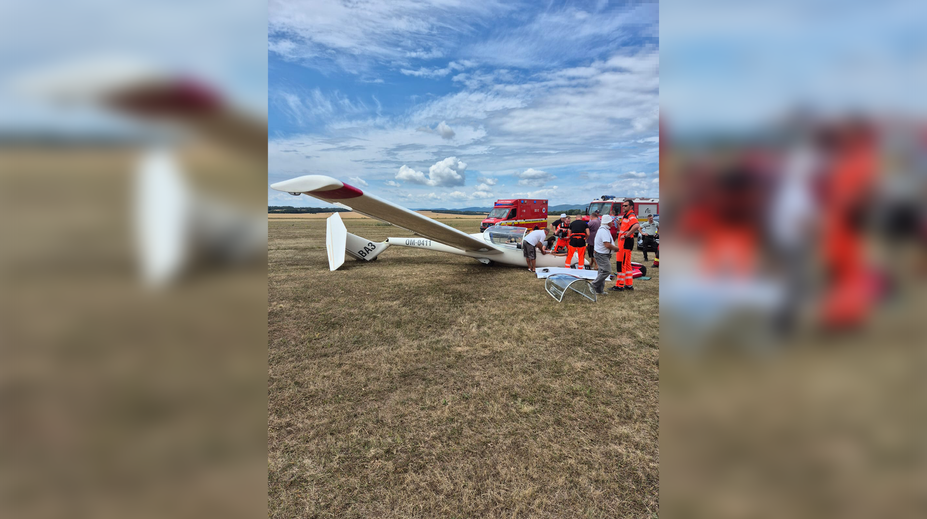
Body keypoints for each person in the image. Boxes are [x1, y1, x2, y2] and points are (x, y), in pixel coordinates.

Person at [612, 199, 640, 291]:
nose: (623, 207)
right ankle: (628, 284)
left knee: (621, 263)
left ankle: (619, 285)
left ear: (631, 207)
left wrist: (626, 235)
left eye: (625, 206)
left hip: (625, 243)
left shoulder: (631, 215)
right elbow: (625, 229)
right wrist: (620, 225)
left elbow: (636, 226)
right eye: (623, 205)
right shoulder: (626, 216)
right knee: (627, 264)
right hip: (627, 242)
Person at [592, 215, 622, 295]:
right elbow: (607, 245)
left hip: (602, 254)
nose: (612, 223)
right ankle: (593, 285)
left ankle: (599, 290)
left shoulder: (604, 230)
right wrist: (616, 248)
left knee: (601, 271)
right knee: (606, 271)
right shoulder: (604, 231)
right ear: (608, 222)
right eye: (611, 221)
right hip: (602, 254)